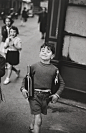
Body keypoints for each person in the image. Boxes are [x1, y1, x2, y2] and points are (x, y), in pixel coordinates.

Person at [20, 42, 65, 133]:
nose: (44, 53)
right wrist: (23, 89)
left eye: (48, 51)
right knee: (39, 118)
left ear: (52, 56)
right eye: (42, 51)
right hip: (34, 96)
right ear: (39, 53)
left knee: (36, 113)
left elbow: (62, 83)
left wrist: (57, 95)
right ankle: (35, 130)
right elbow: (25, 79)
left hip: (46, 97)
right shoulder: (33, 66)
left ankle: (32, 126)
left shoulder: (54, 69)